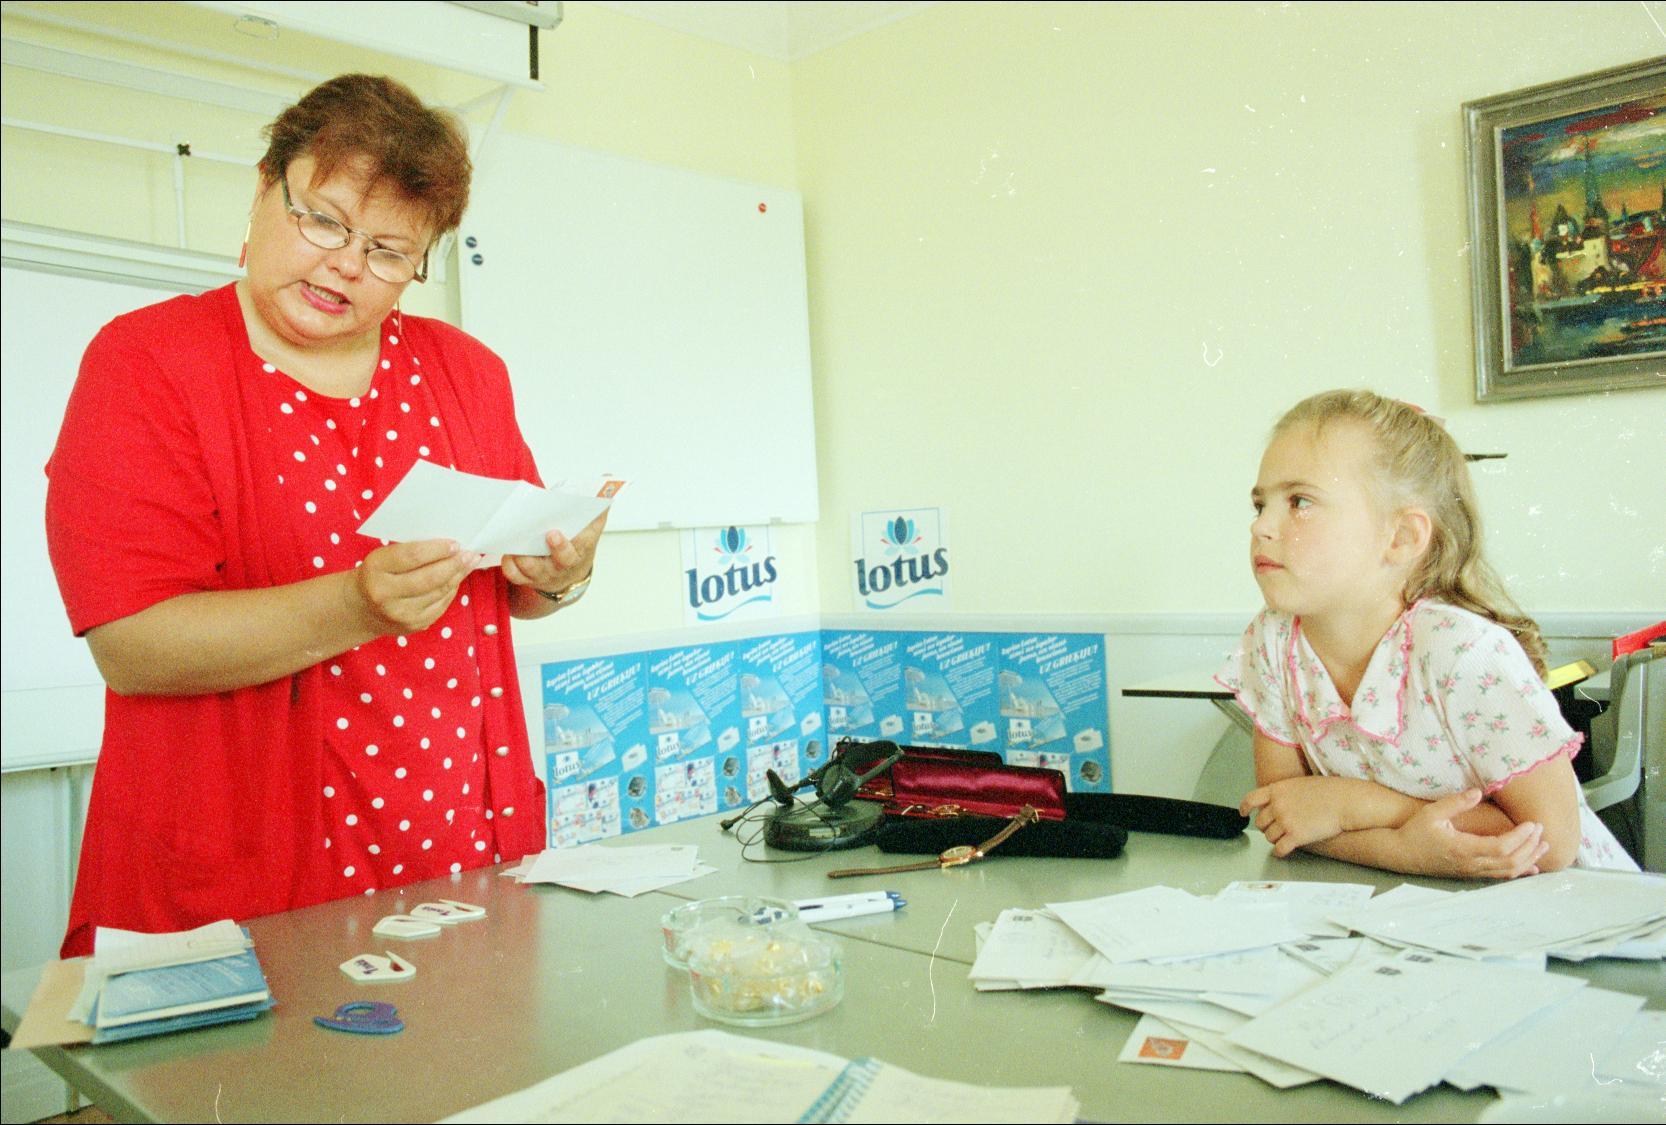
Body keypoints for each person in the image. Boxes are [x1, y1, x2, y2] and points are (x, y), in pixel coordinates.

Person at [46, 74, 606, 957]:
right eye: (324, 221)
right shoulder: (149, 363)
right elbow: (131, 642)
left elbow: (514, 591)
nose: (347, 263)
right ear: (264, 186)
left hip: (455, 853)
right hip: (239, 875)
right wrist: (356, 605)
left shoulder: (467, 373)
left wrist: (561, 574)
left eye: (388, 250)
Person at [1217, 389, 1636, 878]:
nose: (1262, 527)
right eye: (1260, 504)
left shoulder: (1463, 652)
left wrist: (1357, 807)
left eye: (1300, 501)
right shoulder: (1272, 641)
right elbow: (1286, 816)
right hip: (1406, 899)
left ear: (1402, 537)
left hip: (1559, 902)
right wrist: (1402, 850)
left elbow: (1551, 843)